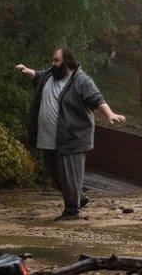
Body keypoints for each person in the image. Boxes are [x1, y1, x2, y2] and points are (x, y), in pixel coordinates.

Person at [16, 46, 126, 221]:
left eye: (57, 60)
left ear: (67, 61)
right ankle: (78, 198)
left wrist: (110, 114)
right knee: (55, 175)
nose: (53, 64)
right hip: (49, 138)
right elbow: (36, 75)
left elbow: (97, 99)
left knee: (69, 175)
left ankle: (72, 211)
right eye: (53, 60)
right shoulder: (50, 75)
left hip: (72, 137)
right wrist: (26, 70)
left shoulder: (81, 81)